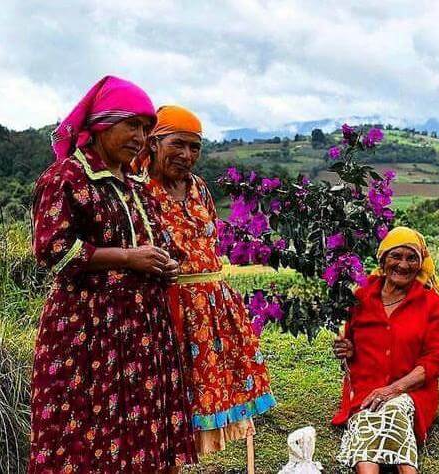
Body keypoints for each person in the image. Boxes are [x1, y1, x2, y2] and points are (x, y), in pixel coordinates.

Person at [29, 76, 196, 472]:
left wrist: (164, 263)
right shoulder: (66, 178)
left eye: (145, 128)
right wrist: (127, 258)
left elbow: (153, 239)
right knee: (86, 429)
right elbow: (53, 251)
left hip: (142, 331)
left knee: (140, 429)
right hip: (89, 332)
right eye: (131, 125)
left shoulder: (134, 184)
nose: (140, 137)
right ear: (102, 124)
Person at [136, 105, 276, 460]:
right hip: (168, 311)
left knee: (195, 405)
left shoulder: (198, 187)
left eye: (195, 147)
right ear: (153, 142)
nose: (187, 155)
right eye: (177, 144)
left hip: (212, 309)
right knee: (164, 406)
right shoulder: (139, 191)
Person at [332, 227, 439, 473]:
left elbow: (436, 360)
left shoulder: (431, 304)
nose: (403, 265)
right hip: (366, 386)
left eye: (411, 258)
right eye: (396, 256)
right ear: (383, 259)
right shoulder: (361, 298)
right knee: (367, 415)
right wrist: (348, 350)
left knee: (394, 409)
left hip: (413, 392)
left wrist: (394, 389)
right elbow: (352, 346)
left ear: (420, 263)